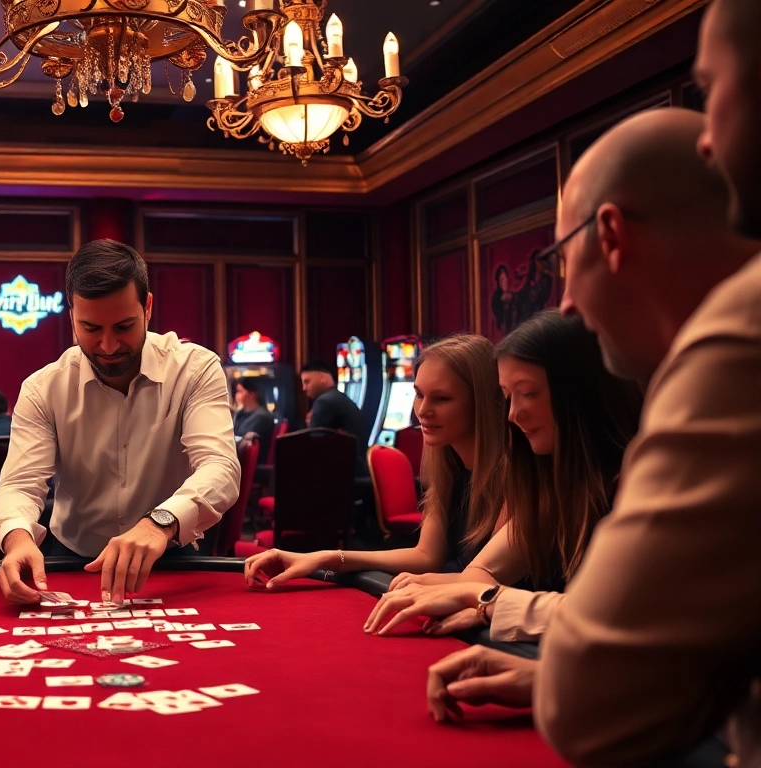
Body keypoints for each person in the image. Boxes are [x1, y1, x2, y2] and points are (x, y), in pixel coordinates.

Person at [425, 95, 761, 767]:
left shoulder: (732, 349)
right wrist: (543, 665)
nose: (569, 303)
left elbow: (592, 708)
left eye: (561, 262)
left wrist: (508, 619)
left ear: (609, 235)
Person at [0, 239, 239, 604]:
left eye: (124, 327)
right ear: (72, 315)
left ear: (147, 307)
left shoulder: (195, 369)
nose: (108, 346)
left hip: (170, 554)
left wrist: (160, 523)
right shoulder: (43, 388)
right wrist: (17, 540)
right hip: (72, 557)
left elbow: (220, 467)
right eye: (91, 328)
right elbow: (19, 486)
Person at [365, 311, 641, 636]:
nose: (512, 414)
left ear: (580, 391)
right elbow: (482, 572)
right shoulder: (547, 479)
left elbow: (624, 617)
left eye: (528, 393)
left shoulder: (637, 481)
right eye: (508, 396)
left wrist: (486, 604)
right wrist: (478, 600)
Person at [243, 335, 507, 587]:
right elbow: (426, 555)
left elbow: (483, 579)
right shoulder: (449, 472)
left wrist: (423, 585)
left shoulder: (512, 476)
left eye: (441, 398)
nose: (423, 410)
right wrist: (325, 557)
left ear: (481, 402)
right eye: (419, 394)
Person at [300, 360, 368, 477]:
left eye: (307, 382)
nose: (304, 388)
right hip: (354, 470)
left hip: (342, 477)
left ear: (322, 377)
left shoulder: (325, 401)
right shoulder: (337, 397)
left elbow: (312, 446)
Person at [231, 378, 275, 463]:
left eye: (240, 391)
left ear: (252, 393)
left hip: (250, 463)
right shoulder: (240, 413)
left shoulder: (262, 417)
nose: (237, 395)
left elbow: (243, 442)